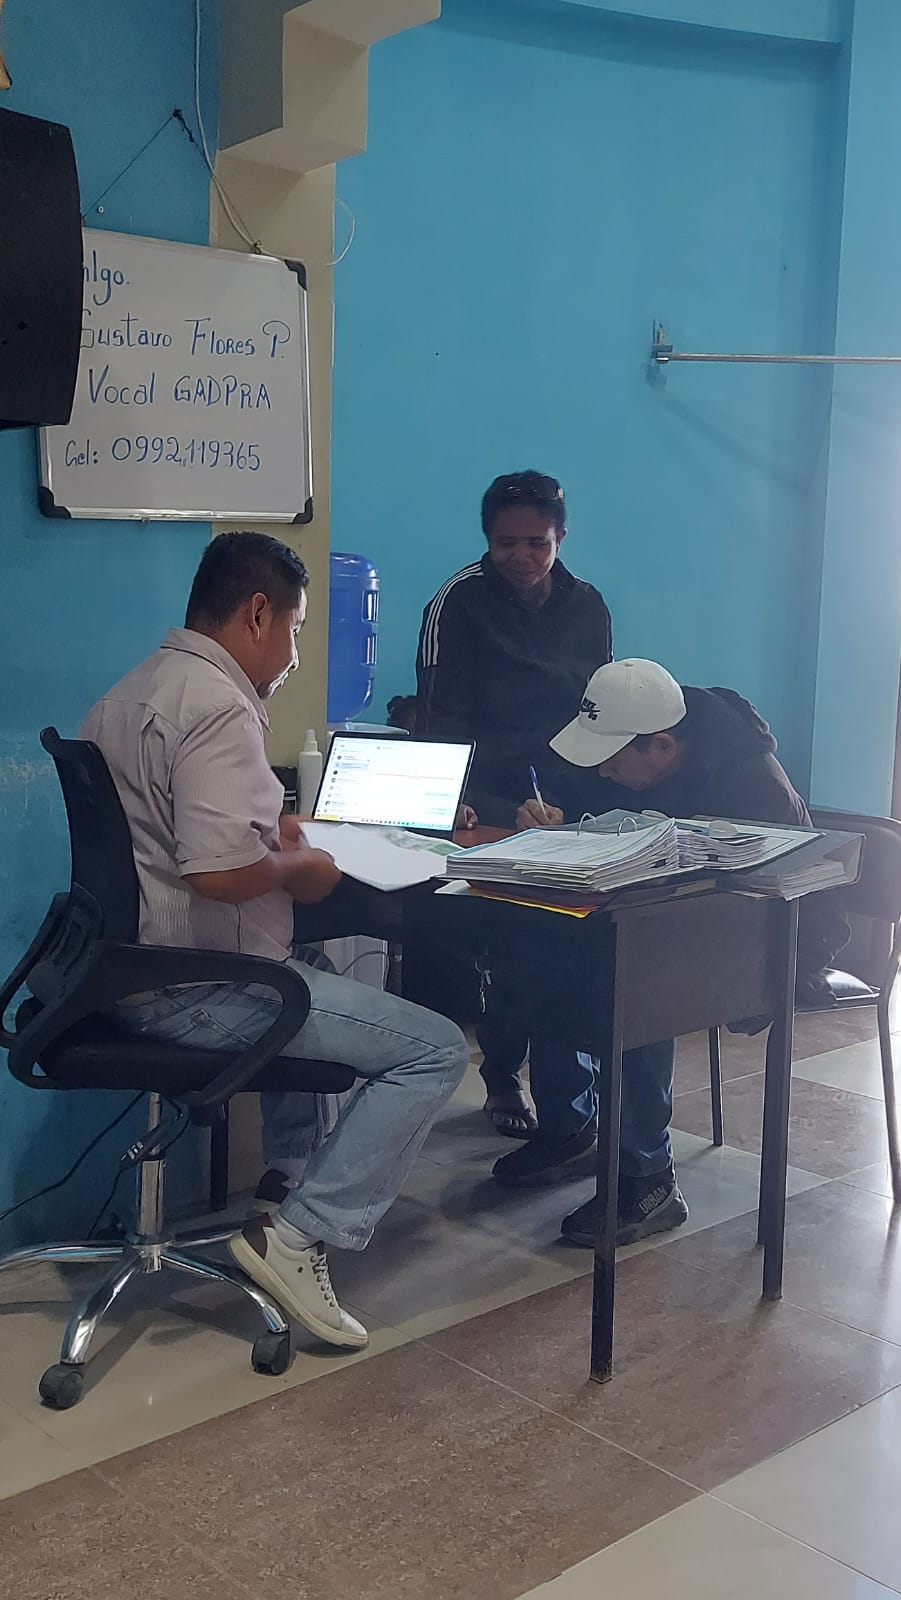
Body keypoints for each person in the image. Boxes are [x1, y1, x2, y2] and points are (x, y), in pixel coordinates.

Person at [81, 531, 469, 1350]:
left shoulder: (130, 691)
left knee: (311, 963)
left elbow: (174, 836)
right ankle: (298, 1235)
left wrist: (274, 834)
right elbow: (218, 874)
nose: (293, 654)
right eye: (295, 628)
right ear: (258, 613)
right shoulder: (216, 703)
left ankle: (288, 1179)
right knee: (433, 1050)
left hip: (128, 970)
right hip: (200, 985)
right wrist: (301, 868)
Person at [491, 658, 850, 1249]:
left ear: (662, 745)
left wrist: (778, 980)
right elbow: (572, 795)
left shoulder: (752, 781)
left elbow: (816, 899)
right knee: (551, 960)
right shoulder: (628, 744)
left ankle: (648, 1177)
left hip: (754, 948)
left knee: (634, 988)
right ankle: (570, 1127)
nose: (602, 771)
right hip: (650, 921)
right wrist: (541, 811)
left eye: (612, 761)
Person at [416, 470, 613, 1136]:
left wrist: (568, 803)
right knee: (508, 946)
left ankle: (573, 1100)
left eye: (537, 543)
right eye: (507, 544)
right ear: (486, 540)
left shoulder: (588, 606)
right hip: (486, 798)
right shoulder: (458, 601)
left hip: (566, 800)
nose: (522, 557)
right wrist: (458, 799)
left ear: (561, 537)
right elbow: (439, 717)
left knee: (570, 945)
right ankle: (502, 1076)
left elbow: (599, 716)